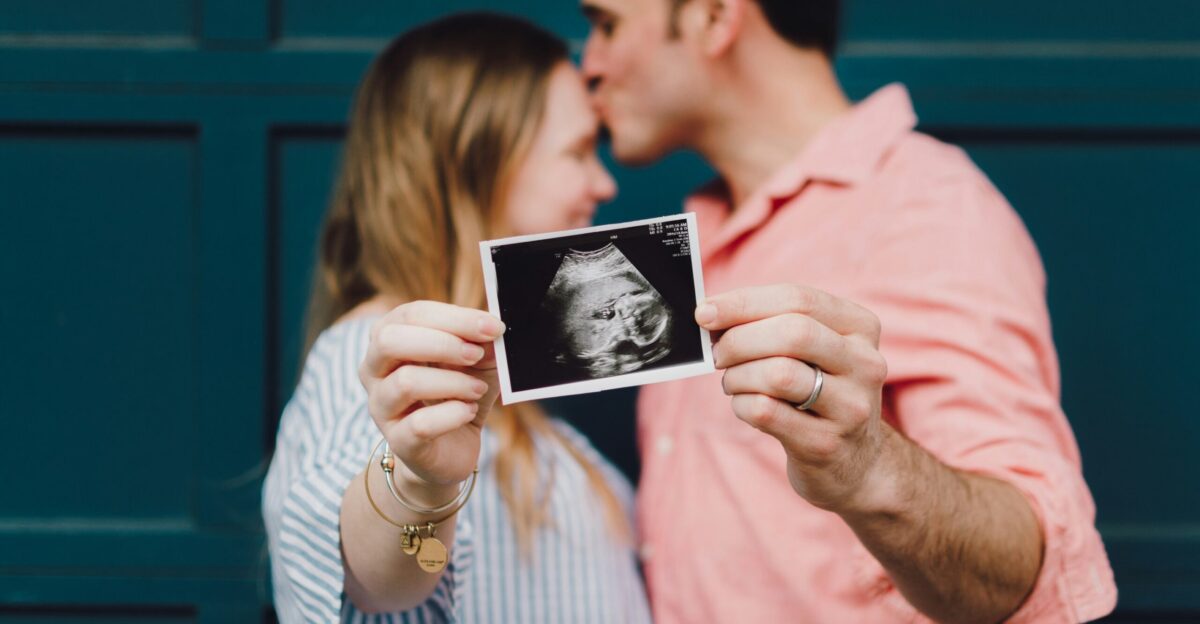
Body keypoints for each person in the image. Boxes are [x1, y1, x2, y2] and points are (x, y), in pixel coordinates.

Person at [579, 0, 1118, 622]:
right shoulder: (692, 236)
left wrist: (865, 468)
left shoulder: (926, 208)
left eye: (607, 24)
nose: (588, 63)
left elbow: (1027, 569)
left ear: (713, 17)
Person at [262, 13, 650, 623]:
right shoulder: (380, 361)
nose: (603, 184)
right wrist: (421, 487)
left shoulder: (507, 396)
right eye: (577, 152)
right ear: (477, 162)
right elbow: (375, 580)